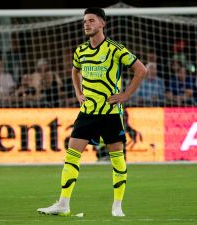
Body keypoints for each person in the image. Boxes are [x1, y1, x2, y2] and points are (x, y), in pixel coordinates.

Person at [37, 7, 147, 217]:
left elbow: (142, 70)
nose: (86, 24)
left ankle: (117, 207)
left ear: (102, 23)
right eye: (85, 21)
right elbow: (74, 70)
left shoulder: (116, 49)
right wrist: (78, 92)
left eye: (91, 20)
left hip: (110, 113)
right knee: (71, 156)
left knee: (117, 160)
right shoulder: (81, 50)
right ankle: (63, 204)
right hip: (87, 112)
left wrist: (125, 95)